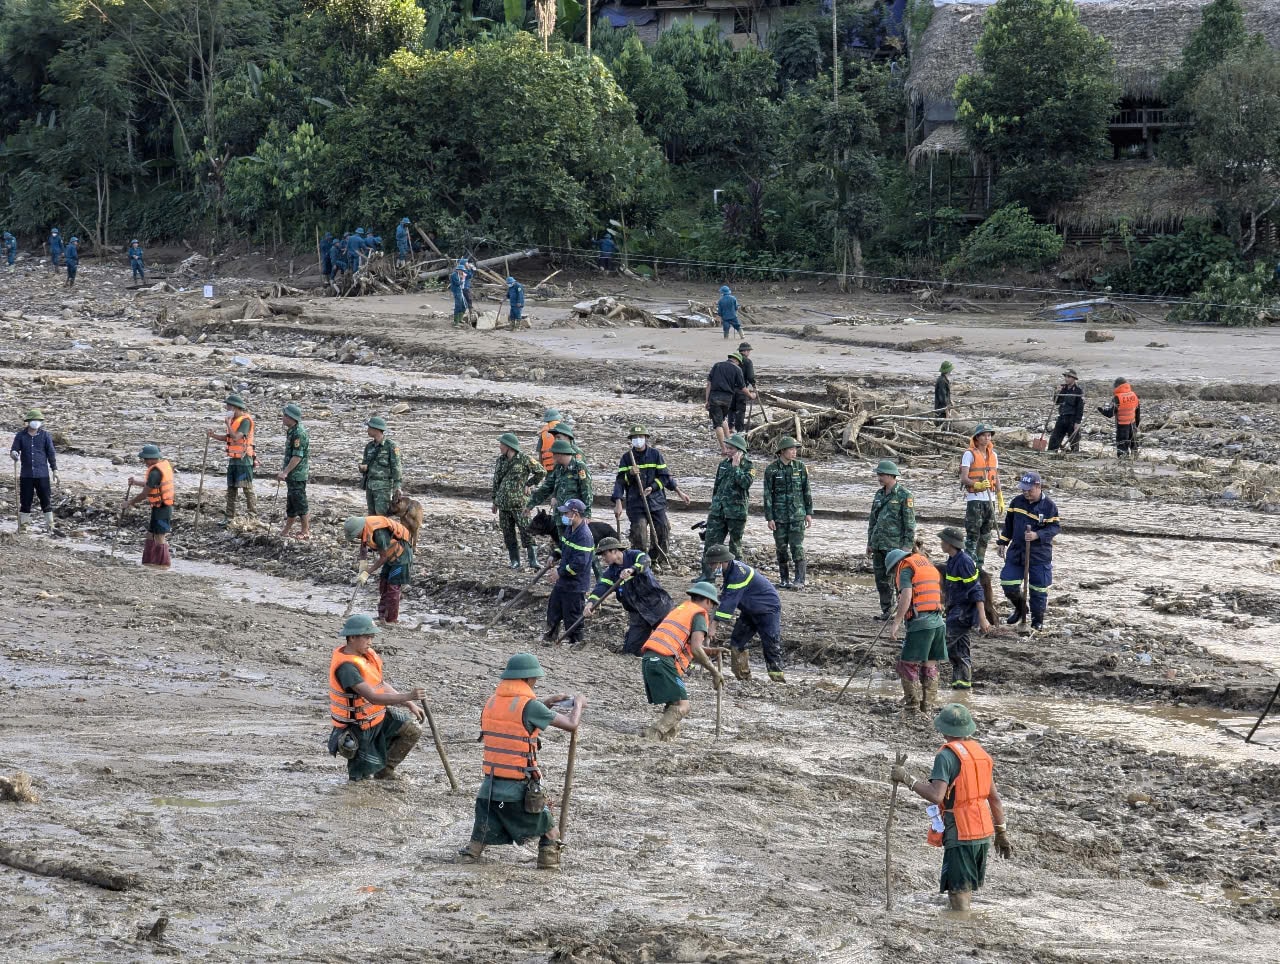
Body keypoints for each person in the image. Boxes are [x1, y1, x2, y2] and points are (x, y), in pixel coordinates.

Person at [459, 653, 586, 870]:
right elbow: (571, 724)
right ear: (528, 679)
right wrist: (579, 704)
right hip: (517, 791)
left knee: (480, 836)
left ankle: (468, 857)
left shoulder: (492, 702)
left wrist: (546, 703)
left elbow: (517, 716)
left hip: (489, 790)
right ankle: (548, 867)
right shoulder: (531, 707)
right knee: (550, 831)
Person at [890, 703, 1013, 911]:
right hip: (983, 832)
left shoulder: (945, 757)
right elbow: (995, 799)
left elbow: (936, 796)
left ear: (943, 730)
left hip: (961, 831)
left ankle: (963, 930)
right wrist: (1001, 834)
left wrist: (906, 779)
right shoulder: (981, 755)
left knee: (957, 892)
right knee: (966, 887)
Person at [327, 614, 425, 782]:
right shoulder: (347, 668)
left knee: (412, 730)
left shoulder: (366, 656)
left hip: (378, 717)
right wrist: (408, 695)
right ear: (351, 638)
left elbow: (380, 684)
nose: (370, 642)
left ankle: (385, 770)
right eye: (367, 637)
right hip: (359, 727)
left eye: (371, 637)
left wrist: (409, 703)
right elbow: (373, 697)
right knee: (360, 778)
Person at [639, 582, 724, 741]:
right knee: (683, 706)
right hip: (664, 661)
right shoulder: (699, 615)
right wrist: (714, 672)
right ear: (706, 600)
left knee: (674, 703)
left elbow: (685, 644)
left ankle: (667, 737)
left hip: (650, 659)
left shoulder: (681, 610)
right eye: (712, 603)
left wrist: (711, 651)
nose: (711, 608)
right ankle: (653, 734)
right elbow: (697, 649)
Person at [705, 544, 785, 682]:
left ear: (722, 561)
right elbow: (725, 597)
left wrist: (713, 626)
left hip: (767, 610)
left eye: (712, 564)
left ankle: (777, 679)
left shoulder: (738, 574)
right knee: (737, 641)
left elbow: (729, 602)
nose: (711, 567)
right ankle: (743, 678)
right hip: (750, 610)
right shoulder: (729, 570)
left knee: (770, 644)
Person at [610, 424, 688, 562]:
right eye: (635, 437)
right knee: (639, 532)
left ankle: (658, 558)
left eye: (640, 437)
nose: (638, 440)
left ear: (646, 438)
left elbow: (665, 477)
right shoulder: (627, 458)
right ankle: (640, 559)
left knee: (662, 529)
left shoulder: (655, 455)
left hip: (656, 502)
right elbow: (620, 481)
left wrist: (676, 491)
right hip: (636, 503)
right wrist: (618, 501)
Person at [997, 471, 1060, 632]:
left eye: (1029, 490)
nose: (1025, 492)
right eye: (1023, 489)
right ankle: (1020, 608)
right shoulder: (1017, 502)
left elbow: (1054, 527)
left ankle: (1037, 621)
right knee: (1008, 581)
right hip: (1017, 551)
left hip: (1039, 554)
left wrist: (1037, 535)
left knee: (1038, 589)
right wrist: (1003, 542)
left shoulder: (1049, 507)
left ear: (1038, 486)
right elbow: (1009, 524)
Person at [587, 537, 674, 655]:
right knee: (631, 651)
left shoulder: (634, 555)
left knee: (671, 642)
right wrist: (591, 603)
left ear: (614, 550)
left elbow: (645, 560)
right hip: (638, 614)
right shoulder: (610, 573)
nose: (603, 558)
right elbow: (601, 588)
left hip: (657, 606)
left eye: (604, 554)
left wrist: (632, 570)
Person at [885, 546, 946, 714]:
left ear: (895, 565)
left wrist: (896, 622)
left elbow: (907, 595)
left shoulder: (904, 568)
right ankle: (927, 707)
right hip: (938, 621)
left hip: (921, 624)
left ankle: (912, 708)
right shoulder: (925, 564)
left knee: (907, 665)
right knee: (930, 664)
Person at [938, 526, 989, 689]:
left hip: (963, 612)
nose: (941, 543)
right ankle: (962, 685)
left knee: (941, 643)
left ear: (949, 543)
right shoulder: (952, 560)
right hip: (954, 609)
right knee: (960, 651)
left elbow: (976, 589)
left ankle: (924, 678)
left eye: (942, 541)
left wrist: (982, 617)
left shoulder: (965, 562)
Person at [699, 433, 754, 579]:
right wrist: (713, 507)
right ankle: (707, 575)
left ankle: (736, 575)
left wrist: (736, 467)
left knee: (735, 546)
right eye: (727, 448)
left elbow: (745, 484)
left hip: (736, 512)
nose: (727, 451)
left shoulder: (748, 466)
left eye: (731, 449)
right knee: (711, 542)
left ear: (740, 450)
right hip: (718, 511)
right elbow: (716, 487)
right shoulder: (723, 464)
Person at [866, 460, 916, 620]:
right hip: (879, 544)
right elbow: (873, 520)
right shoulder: (879, 494)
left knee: (899, 581)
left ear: (891, 475)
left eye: (881, 475)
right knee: (881, 580)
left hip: (895, 548)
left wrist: (907, 546)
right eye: (878, 474)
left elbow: (910, 523)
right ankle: (887, 611)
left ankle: (902, 612)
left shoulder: (904, 495)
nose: (879, 478)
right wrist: (869, 542)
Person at [343, 514, 414, 624]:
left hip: (402, 556)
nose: (356, 538)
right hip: (389, 554)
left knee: (393, 587)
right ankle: (382, 617)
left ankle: (391, 620)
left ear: (359, 529)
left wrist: (367, 573)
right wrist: (363, 563)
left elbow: (383, 557)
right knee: (383, 583)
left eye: (356, 535)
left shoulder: (379, 533)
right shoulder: (364, 527)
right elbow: (363, 546)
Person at [763, 435, 812, 590]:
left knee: (797, 546)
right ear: (782, 451)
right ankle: (784, 580)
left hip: (797, 514)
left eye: (795, 449)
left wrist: (809, 513)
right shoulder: (772, 469)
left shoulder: (800, 467)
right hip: (779, 517)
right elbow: (767, 494)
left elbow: (806, 490)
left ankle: (800, 580)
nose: (794, 452)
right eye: (791, 449)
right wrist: (769, 517)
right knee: (781, 548)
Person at [492, 432, 546, 569]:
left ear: (509, 446)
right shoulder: (501, 461)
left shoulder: (524, 459)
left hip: (519, 504)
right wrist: (494, 501)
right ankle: (514, 561)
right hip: (503, 504)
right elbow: (496, 482)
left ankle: (533, 560)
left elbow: (541, 472)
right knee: (508, 533)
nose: (500, 447)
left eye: (502, 444)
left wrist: (529, 484)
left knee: (526, 531)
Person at [544, 499, 594, 645]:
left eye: (566, 513)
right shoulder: (570, 529)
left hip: (575, 585)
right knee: (554, 610)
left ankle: (576, 642)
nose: (564, 515)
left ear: (575, 514)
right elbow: (563, 546)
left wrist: (560, 572)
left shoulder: (584, 536)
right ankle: (550, 637)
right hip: (563, 582)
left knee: (572, 615)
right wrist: (554, 555)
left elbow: (579, 564)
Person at [525, 438, 592, 543]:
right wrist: (531, 504)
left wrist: (587, 514)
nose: (553, 457)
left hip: (574, 517)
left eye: (554, 454)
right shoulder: (558, 469)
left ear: (560, 454)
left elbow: (587, 491)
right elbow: (546, 488)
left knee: (579, 546)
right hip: (560, 517)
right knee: (563, 546)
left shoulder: (579, 467)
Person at [207, 394, 256, 525]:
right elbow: (228, 438)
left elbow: (236, 437)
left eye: (229, 406)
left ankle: (252, 516)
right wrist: (214, 436)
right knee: (231, 488)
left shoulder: (245, 421)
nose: (227, 408)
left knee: (247, 488)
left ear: (235, 407)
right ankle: (229, 517)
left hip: (244, 461)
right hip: (234, 460)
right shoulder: (234, 420)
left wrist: (228, 424)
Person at [124, 444, 174, 567]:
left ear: (151, 458)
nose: (145, 462)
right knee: (150, 534)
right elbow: (150, 485)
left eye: (145, 459)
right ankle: (149, 562)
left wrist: (129, 503)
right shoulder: (159, 468)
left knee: (159, 535)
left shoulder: (155, 472)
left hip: (163, 508)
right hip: (158, 507)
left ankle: (162, 564)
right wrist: (135, 482)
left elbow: (145, 493)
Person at [10, 408, 58, 533]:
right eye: (33, 420)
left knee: (46, 500)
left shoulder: (45, 436)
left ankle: (50, 525)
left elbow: (51, 454)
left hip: (42, 474)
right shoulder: (21, 436)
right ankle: (23, 526)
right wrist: (14, 454)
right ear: (28, 422)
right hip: (26, 474)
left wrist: (55, 470)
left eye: (38, 420)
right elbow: (14, 449)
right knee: (25, 500)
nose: (36, 422)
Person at [959, 424, 1000, 569]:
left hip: (990, 500)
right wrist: (976, 485)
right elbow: (964, 478)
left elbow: (996, 477)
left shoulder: (993, 455)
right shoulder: (969, 454)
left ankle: (979, 565)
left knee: (985, 535)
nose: (987, 438)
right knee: (973, 535)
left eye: (989, 435)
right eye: (984, 435)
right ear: (977, 437)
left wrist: (1000, 497)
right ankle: (968, 565)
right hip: (975, 500)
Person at [277, 403, 311, 540]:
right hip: (292, 475)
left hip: (297, 475)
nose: (283, 418)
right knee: (291, 502)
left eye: (285, 415)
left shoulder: (299, 433)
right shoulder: (292, 431)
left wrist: (285, 472)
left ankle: (305, 531)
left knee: (300, 502)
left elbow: (297, 456)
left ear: (292, 417)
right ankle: (286, 529)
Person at [705, 352, 748, 453]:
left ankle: (724, 449)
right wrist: (751, 395)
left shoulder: (717, 365)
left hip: (715, 397)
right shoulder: (737, 369)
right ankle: (730, 443)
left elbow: (708, 384)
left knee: (717, 424)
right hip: (728, 398)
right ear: (737, 361)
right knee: (723, 419)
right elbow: (742, 387)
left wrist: (707, 400)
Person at [360, 416, 402, 516]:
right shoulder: (369, 446)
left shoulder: (390, 446)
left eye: (369, 428)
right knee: (372, 517)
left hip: (383, 488)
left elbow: (396, 467)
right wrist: (362, 468)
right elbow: (364, 463)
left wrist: (397, 486)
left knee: (382, 517)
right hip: (370, 486)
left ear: (376, 429)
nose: (367, 430)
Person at [1097, 377, 1140, 458]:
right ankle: (1136, 460)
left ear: (1117, 386)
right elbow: (1137, 412)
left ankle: (1123, 462)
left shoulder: (1117, 398)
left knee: (1122, 446)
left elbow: (1110, 413)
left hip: (1122, 426)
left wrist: (1101, 410)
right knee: (1134, 444)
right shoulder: (1134, 395)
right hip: (1132, 424)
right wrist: (1136, 425)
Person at [1046, 369, 1084, 453]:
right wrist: (1057, 393)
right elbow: (1056, 402)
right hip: (1062, 416)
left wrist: (1077, 422)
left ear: (1074, 379)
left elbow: (1080, 408)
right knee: (1054, 438)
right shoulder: (1062, 388)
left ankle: (1074, 454)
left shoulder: (1078, 391)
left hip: (1072, 418)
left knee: (1074, 439)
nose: (1066, 379)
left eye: (1069, 377)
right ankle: (1051, 453)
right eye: (1066, 376)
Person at [731, 341, 758, 432]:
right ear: (745, 351)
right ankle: (740, 430)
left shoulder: (733, 360)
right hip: (741, 389)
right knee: (740, 410)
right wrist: (754, 385)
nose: (749, 353)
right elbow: (750, 376)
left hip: (730, 388)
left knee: (731, 409)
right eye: (749, 351)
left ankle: (731, 427)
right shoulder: (747, 361)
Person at [535, 408, 561, 472]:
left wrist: (542, 467)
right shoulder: (564, 429)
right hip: (561, 467)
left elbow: (540, 452)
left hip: (548, 468)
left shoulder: (544, 432)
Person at [934, 361, 953, 427]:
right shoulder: (942, 381)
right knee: (941, 425)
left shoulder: (943, 379)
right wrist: (946, 410)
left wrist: (950, 401)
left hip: (943, 407)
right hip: (941, 408)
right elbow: (942, 397)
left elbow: (946, 394)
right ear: (948, 371)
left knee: (945, 424)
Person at [449, 260, 468, 328]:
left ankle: (460, 319)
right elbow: (457, 284)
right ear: (459, 270)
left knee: (465, 305)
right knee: (458, 306)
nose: (463, 271)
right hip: (456, 292)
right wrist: (463, 279)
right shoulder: (454, 275)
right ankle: (455, 322)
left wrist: (463, 277)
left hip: (460, 291)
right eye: (462, 270)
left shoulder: (459, 274)